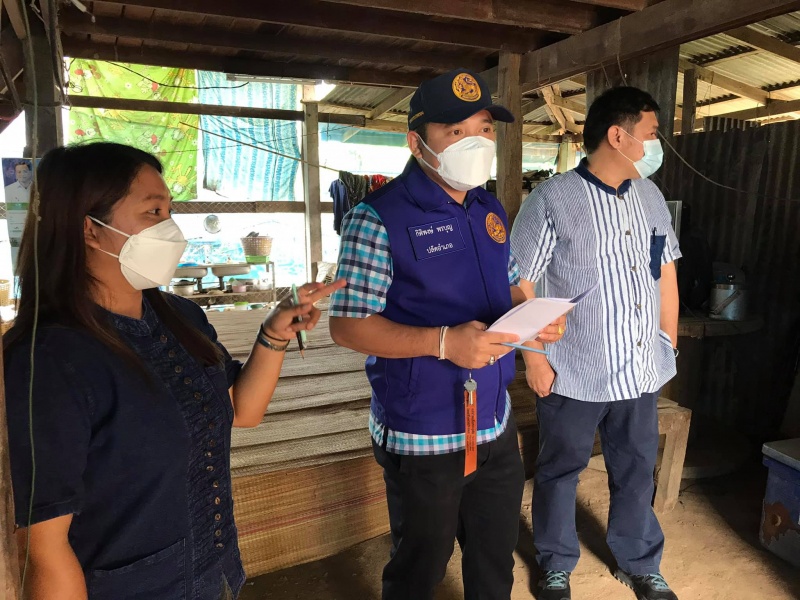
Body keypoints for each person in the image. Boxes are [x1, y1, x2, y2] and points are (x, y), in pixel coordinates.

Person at [4, 142, 345, 600]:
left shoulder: (179, 317)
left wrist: (273, 333)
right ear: (89, 228)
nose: (171, 228)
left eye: (170, 211)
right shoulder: (47, 361)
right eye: (153, 212)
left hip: (215, 576)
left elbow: (241, 410)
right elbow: (42, 548)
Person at [328, 68, 565, 600]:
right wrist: (442, 343)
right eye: (455, 132)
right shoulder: (376, 218)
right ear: (417, 143)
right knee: (421, 567)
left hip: (494, 421)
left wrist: (535, 318)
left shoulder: (487, 208)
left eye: (483, 130)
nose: (474, 143)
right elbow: (347, 325)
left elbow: (510, 286)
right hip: (424, 432)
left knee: (494, 560)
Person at [510, 86, 681, 600]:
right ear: (618, 136)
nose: (655, 144)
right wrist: (534, 357)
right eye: (651, 133)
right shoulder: (552, 199)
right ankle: (556, 562)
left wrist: (668, 342)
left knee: (636, 470)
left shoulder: (650, 197)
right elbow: (519, 282)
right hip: (573, 368)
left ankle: (639, 561)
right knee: (560, 469)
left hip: (640, 368)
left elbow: (665, 274)